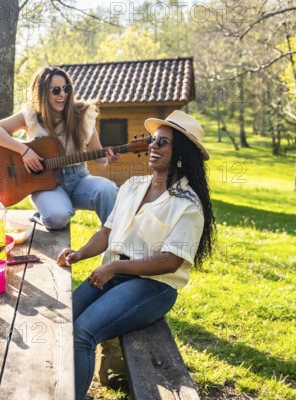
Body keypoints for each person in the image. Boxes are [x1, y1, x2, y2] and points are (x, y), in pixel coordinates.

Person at [56, 110, 216, 400]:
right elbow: (107, 233)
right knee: (62, 323)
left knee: (82, 333)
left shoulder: (188, 205)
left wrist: (115, 266)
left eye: (162, 143)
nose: (152, 146)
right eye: (153, 140)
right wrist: (79, 254)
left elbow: (170, 261)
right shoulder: (132, 186)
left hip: (152, 286)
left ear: (180, 153)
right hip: (115, 275)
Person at [0, 66, 118, 230]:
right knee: (57, 217)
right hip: (44, 183)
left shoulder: (82, 114)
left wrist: (108, 157)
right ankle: (45, 214)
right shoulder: (30, 115)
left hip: (79, 179)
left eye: (66, 88)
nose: (62, 94)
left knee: (108, 189)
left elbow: (98, 155)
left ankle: (117, 246)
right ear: (42, 94)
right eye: (56, 90)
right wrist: (24, 151)